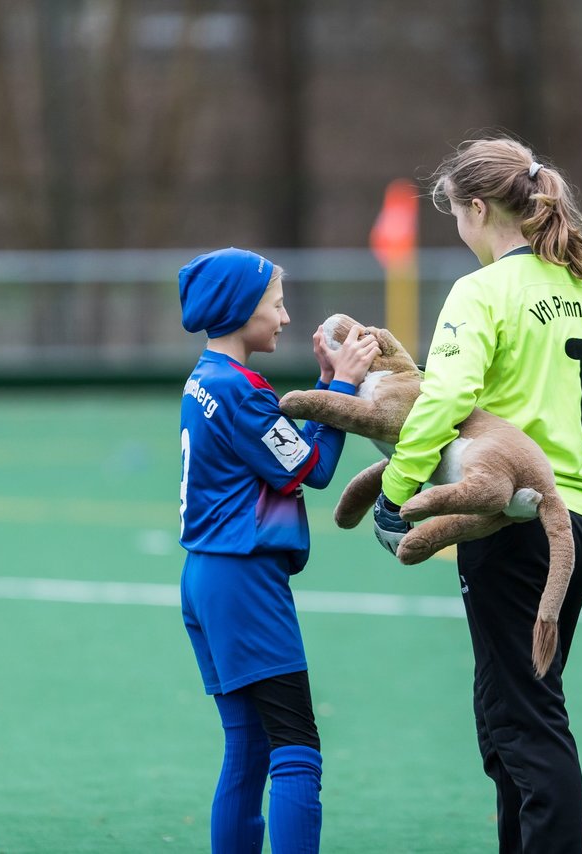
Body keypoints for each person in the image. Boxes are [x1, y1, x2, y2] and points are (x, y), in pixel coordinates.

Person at [371, 138, 582, 853]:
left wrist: (397, 489)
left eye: (454, 211)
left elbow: (447, 395)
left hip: (516, 527)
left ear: (478, 208)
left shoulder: (484, 291)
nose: (456, 225)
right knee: (504, 717)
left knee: (527, 722)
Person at [176, 247, 379, 853]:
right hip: (244, 579)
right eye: (276, 303)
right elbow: (312, 468)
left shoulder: (207, 381)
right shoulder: (241, 393)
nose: (286, 317)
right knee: (297, 750)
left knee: (248, 745)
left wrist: (324, 387)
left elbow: (281, 448)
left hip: (206, 576)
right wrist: (343, 388)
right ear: (241, 310)